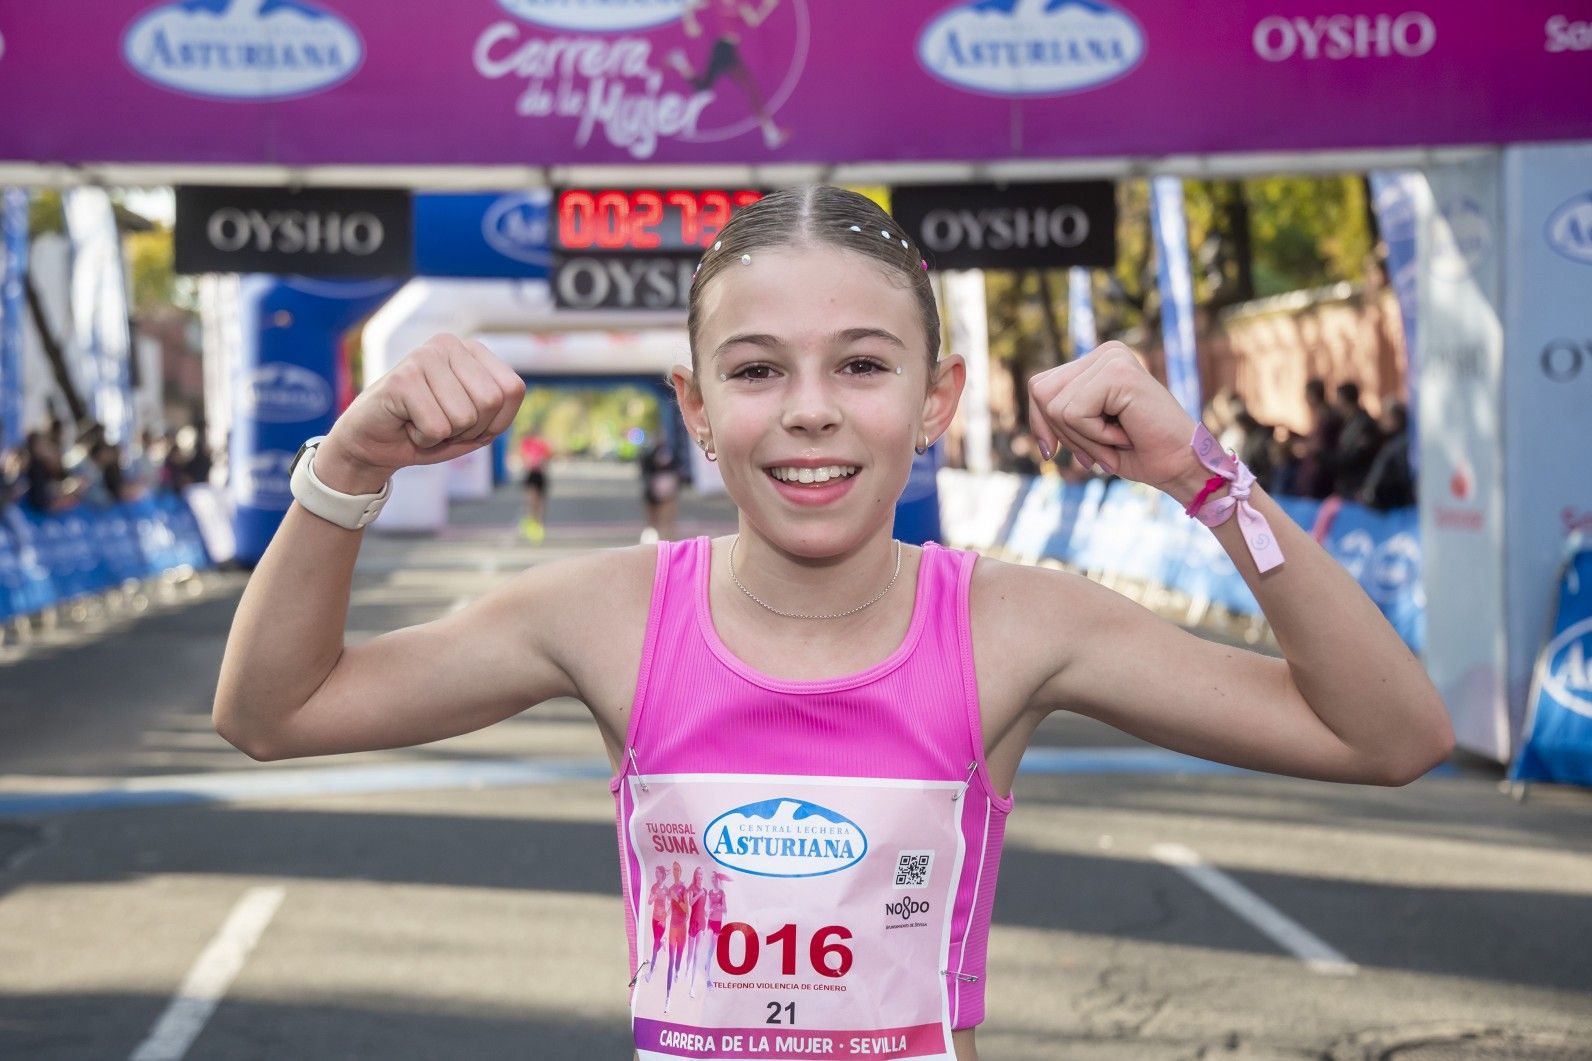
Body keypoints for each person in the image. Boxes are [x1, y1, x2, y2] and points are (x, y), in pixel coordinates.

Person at [213, 186, 1453, 1061]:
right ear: (696, 409)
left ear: (933, 399)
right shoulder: (605, 612)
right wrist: (353, 461)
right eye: (756, 372)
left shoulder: (1013, 622)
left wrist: (1204, 480)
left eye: (861, 365)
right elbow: (274, 710)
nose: (809, 411)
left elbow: (1387, 735)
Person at [1358, 400, 1416, 510]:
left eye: (1386, 416)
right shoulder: (1387, 442)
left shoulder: (1401, 445)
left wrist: (1372, 494)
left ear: (1396, 418)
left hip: (1400, 508)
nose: (1381, 421)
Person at [1330, 381, 1383, 499]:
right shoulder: (1347, 423)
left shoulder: (1364, 425)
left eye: (1337, 399)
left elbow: (1358, 456)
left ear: (1344, 400)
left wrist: (1327, 459)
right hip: (1346, 487)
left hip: (1356, 488)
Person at [1295, 377, 1343, 499]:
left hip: (1320, 474)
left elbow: (1321, 445)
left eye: (1306, 394)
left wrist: (1301, 448)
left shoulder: (1326, 416)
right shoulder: (1320, 415)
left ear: (1313, 395)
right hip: (1315, 472)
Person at [638, 438, 683, 543]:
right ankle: (659, 540)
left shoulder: (669, 453)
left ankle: (664, 540)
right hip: (654, 491)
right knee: (655, 520)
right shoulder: (652, 454)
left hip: (663, 491)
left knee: (665, 519)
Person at [518, 433, 551, 542]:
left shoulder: (542, 445)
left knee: (539, 503)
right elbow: (524, 458)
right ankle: (532, 524)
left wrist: (541, 463)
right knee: (532, 501)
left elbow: (547, 459)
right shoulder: (527, 444)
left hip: (539, 475)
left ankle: (538, 524)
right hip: (531, 475)